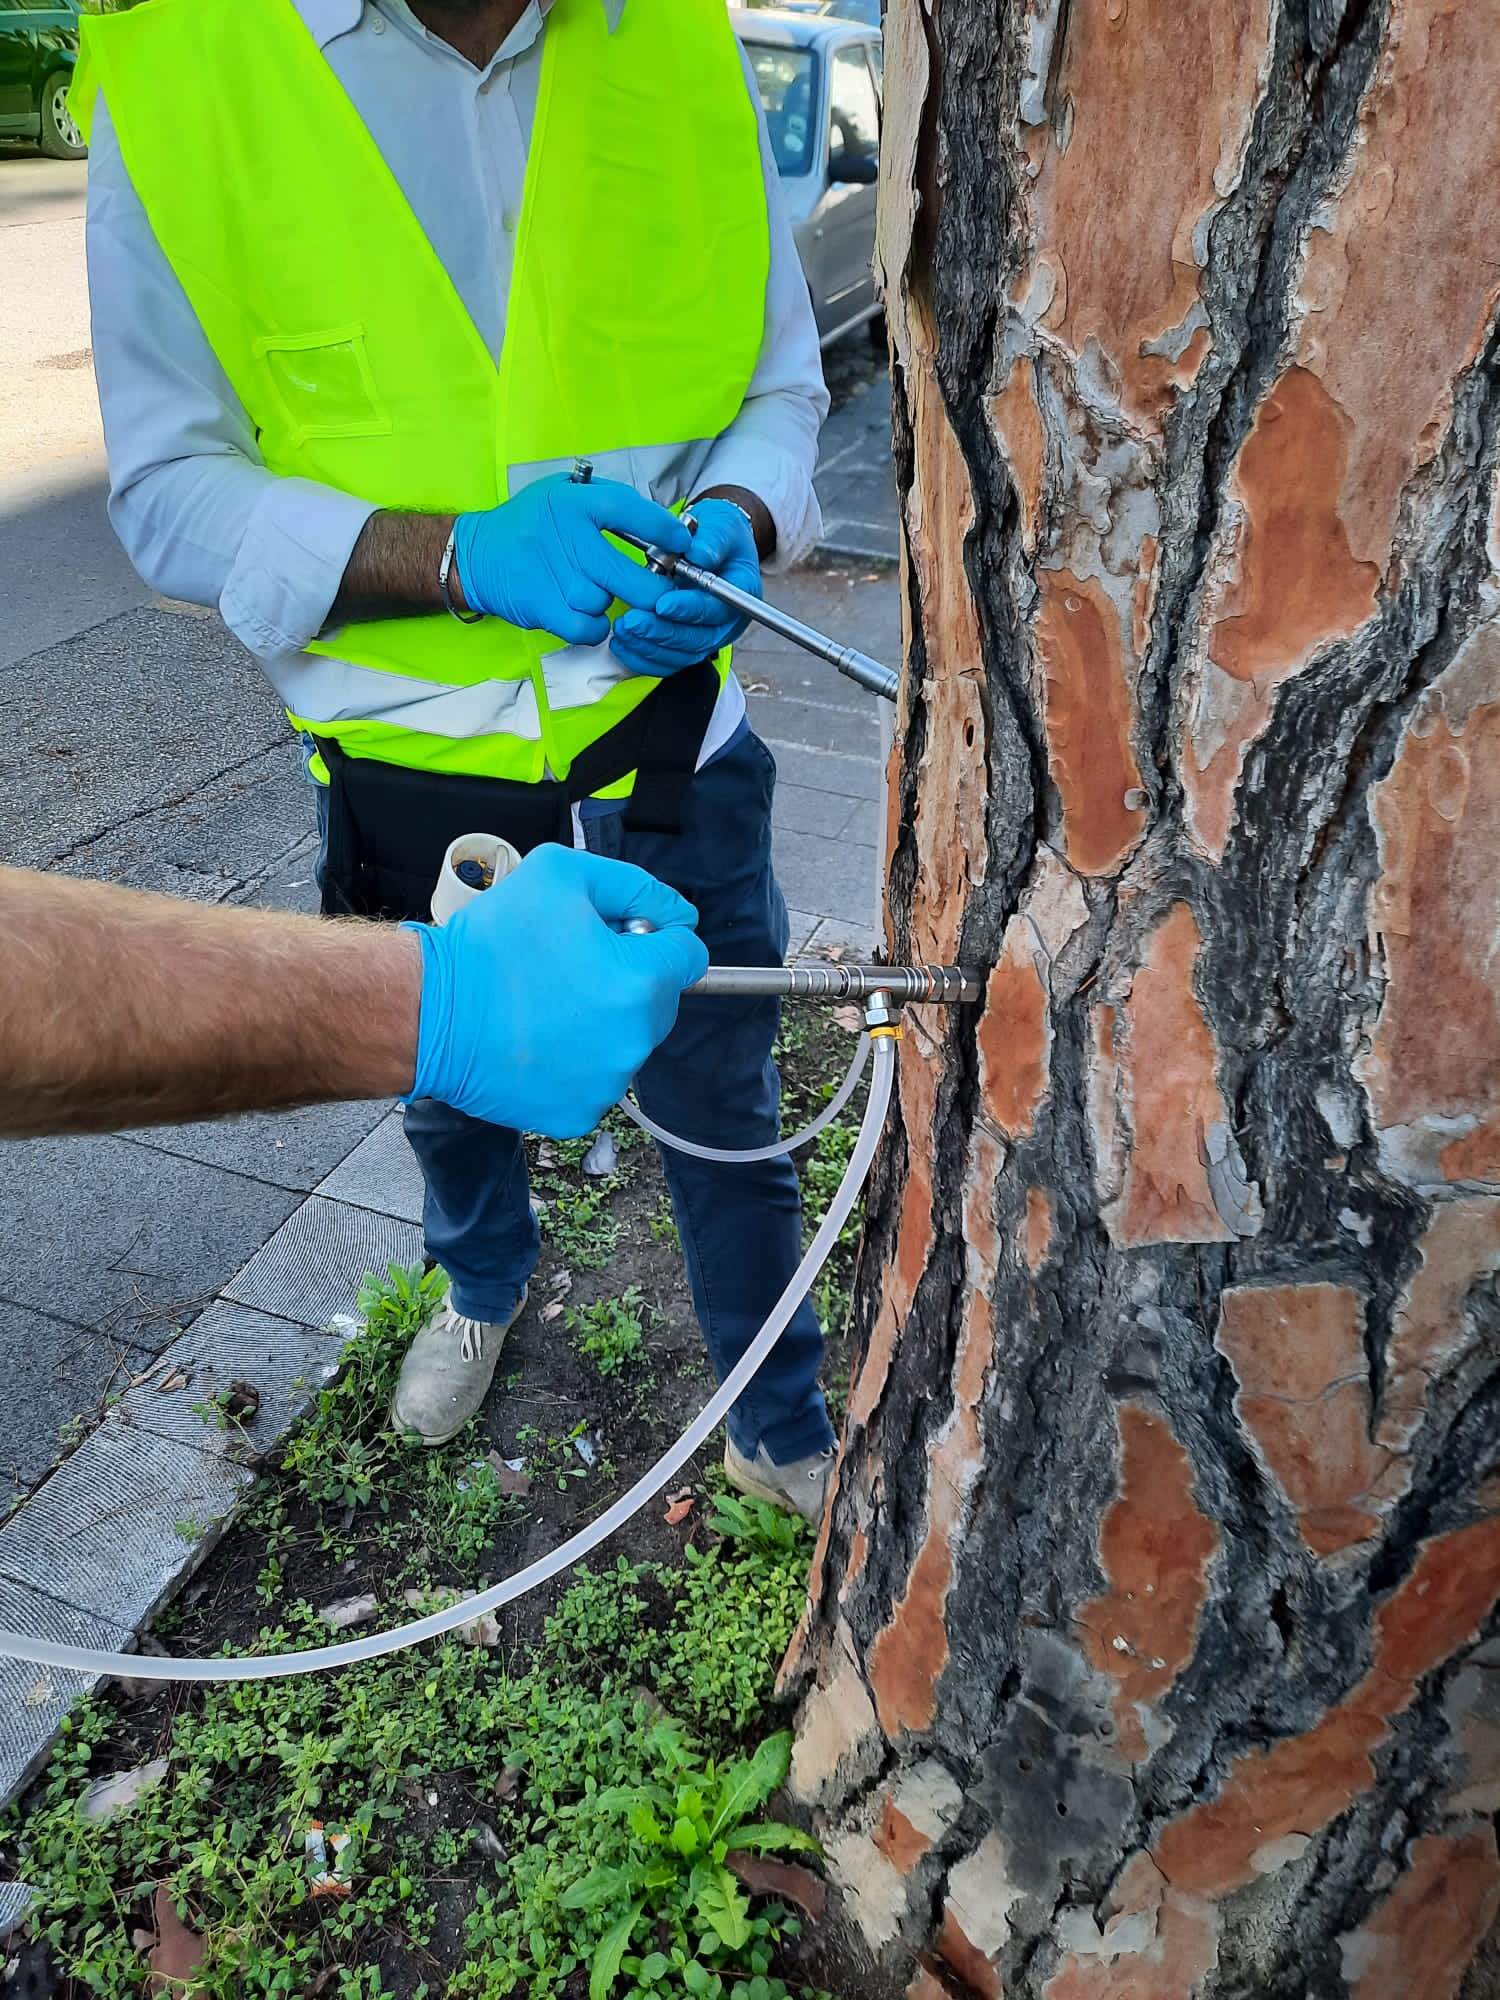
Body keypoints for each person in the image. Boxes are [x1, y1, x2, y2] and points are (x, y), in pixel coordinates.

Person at [76, 0, 837, 1519]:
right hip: (406, 776)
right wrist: (457, 559)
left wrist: (740, 525)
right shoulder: (182, 70)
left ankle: (780, 1421)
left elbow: (780, 384)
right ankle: (481, 1286)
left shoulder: (675, 36)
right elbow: (165, 490)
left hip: (671, 751)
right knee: (451, 1091)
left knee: (724, 1100)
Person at [0, 848, 706, 1141]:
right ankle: (480, 1295)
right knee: (450, 1144)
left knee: (715, 1097)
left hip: (661, 763)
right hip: (380, 783)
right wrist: (438, 1007)